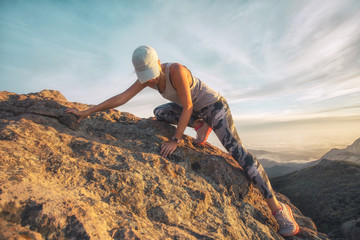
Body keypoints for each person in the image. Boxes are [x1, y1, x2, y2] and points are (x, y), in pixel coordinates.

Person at [66, 45, 299, 237]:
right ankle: (200, 125)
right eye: (144, 78)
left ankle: (278, 209)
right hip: (196, 112)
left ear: (158, 64)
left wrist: (176, 140)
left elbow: (187, 105)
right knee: (160, 113)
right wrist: (87, 112)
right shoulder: (147, 78)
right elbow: (122, 97)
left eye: (151, 76)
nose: (148, 82)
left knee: (238, 153)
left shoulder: (175, 70)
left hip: (213, 107)